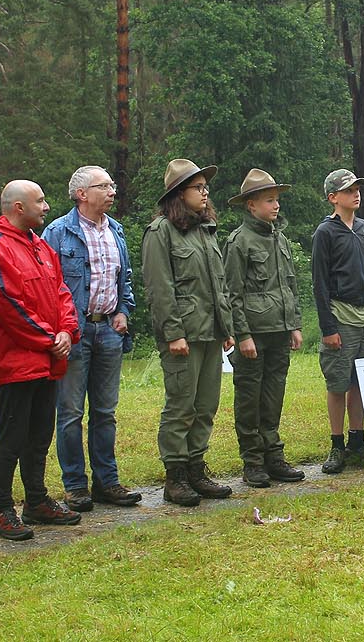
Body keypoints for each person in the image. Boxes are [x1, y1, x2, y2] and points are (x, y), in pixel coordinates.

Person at [0, 180, 83, 540]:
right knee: (11, 436)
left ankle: (36, 501)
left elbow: (61, 291)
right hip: (15, 363)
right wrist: (48, 338)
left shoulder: (39, 246)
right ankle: (1, 510)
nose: (47, 206)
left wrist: (67, 330)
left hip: (48, 359)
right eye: (39, 201)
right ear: (18, 207)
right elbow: (8, 305)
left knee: (40, 434)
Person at [40, 166, 141, 513]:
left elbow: (123, 278)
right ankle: (75, 486)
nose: (112, 190)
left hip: (110, 332)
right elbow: (46, 286)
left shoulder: (116, 230)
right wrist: (61, 329)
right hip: (74, 332)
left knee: (105, 412)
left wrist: (123, 311)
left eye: (113, 184)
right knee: (69, 412)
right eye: (104, 186)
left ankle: (107, 482)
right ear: (81, 194)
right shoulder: (57, 232)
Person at [141, 159, 236, 507]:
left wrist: (226, 328)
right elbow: (159, 288)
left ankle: (197, 469)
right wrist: (173, 333)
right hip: (183, 335)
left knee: (206, 405)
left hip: (210, 333)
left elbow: (218, 286)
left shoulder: (205, 231)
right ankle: (176, 477)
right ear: (179, 194)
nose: (205, 191)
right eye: (197, 187)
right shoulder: (160, 232)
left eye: (204, 187)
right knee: (181, 405)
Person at [223, 169, 306, 488]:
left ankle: (274, 457)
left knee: (273, 397)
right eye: (269, 200)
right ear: (251, 205)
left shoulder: (280, 239)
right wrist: (242, 335)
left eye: (277, 200)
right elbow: (233, 293)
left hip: (279, 333)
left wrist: (294, 325)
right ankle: (253, 462)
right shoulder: (239, 242)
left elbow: (290, 285)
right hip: (253, 336)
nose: (276, 206)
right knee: (249, 398)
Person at [311, 169, 364, 473]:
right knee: (338, 383)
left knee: (362, 380)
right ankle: (337, 443)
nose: (356, 194)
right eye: (348, 190)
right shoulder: (325, 233)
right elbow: (320, 284)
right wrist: (328, 328)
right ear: (333, 198)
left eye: (357, 189)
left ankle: (358, 439)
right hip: (341, 316)